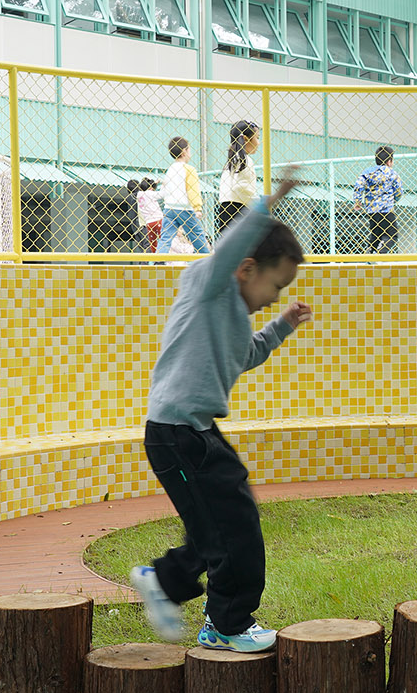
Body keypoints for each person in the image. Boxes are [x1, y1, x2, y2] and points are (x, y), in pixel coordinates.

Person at [129, 171, 313, 652]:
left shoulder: (234, 316)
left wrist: (282, 325)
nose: (276, 296)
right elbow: (232, 245)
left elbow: (246, 354)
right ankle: (228, 623)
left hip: (195, 430)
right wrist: (271, 201)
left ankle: (170, 584)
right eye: (276, 285)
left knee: (225, 521)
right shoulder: (209, 284)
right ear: (246, 269)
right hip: (176, 432)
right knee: (235, 529)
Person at [157, 136, 210, 253]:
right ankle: (206, 259)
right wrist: (197, 208)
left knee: (165, 238)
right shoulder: (189, 169)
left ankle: (158, 261)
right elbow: (193, 190)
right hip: (184, 208)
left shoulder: (170, 169)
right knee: (197, 236)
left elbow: (165, 189)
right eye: (189, 149)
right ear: (184, 151)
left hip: (169, 208)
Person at [353, 145, 403, 254]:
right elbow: (399, 190)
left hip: (372, 211)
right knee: (392, 235)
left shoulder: (367, 172)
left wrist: (357, 201)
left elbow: (358, 185)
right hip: (386, 210)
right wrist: (395, 199)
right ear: (389, 161)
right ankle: (381, 250)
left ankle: (370, 253)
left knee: (376, 236)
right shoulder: (391, 173)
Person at [215, 119, 261, 236]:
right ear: (246, 139)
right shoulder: (244, 160)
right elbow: (240, 187)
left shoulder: (232, 160)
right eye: (257, 138)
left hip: (225, 208)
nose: (259, 143)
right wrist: (257, 202)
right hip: (238, 208)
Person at [128, 177, 164, 252]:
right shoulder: (141, 194)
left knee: (146, 248)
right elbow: (160, 194)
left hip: (137, 227)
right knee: (151, 245)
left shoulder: (133, 197)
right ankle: (158, 261)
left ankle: (149, 262)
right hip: (144, 225)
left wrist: (153, 184)